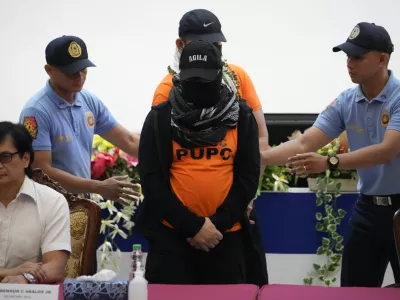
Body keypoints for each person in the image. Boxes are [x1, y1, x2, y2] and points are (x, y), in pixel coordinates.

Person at [262, 22, 400, 287]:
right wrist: (262, 157)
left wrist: (329, 162)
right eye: (347, 55)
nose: (349, 62)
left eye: (358, 56)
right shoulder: (346, 101)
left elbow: (387, 151)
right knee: (353, 291)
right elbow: (305, 143)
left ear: (382, 59)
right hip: (368, 209)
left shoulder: (398, 97)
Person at [151, 8, 269, 286]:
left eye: (215, 46)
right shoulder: (165, 95)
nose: (209, 52)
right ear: (180, 46)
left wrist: (241, 205)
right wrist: (193, 226)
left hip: (232, 223)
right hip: (177, 233)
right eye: (200, 44)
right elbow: (155, 172)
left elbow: (258, 146)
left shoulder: (239, 81)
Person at [19, 35, 140, 203]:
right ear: (49, 70)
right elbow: (41, 171)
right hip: (49, 205)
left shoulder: (88, 100)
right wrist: (98, 187)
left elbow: (129, 141)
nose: (80, 76)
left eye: (83, 69)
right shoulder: (36, 111)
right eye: (71, 71)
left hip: (82, 203)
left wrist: (174, 157)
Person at [0, 122, 70, 284]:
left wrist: (25, 278)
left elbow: (56, 266)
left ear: (25, 159)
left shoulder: (51, 202)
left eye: (5, 157)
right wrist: (10, 272)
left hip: (27, 293)